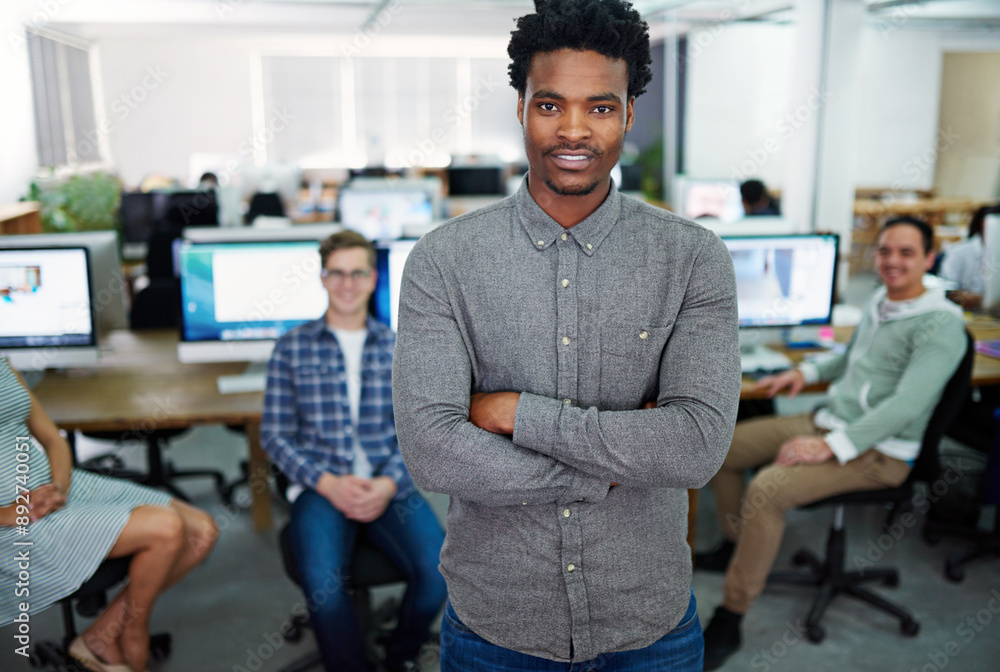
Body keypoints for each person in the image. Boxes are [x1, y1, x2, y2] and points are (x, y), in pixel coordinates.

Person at [392, 1, 742, 670]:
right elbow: (434, 453)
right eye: (550, 106)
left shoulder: (693, 258)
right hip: (498, 626)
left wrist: (516, 414)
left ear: (629, 114)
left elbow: (695, 447)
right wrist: (607, 467)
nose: (574, 130)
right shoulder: (443, 261)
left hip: (647, 624)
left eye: (601, 108)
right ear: (521, 106)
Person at [696, 216, 966, 670]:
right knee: (719, 448)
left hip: (878, 451)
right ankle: (735, 543)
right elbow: (849, 359)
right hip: (831, 422)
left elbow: (905, 405)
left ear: (929, 259)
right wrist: (807, 372)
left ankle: (731, 614)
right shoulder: (883, 301)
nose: (892, 262)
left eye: (906, 253)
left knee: (767, 489)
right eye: (885, 251)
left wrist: (830, 445)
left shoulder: (939, 326)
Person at [261, 231, 446, 672]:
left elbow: (419, 429)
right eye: (337, 273)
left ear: (371, 277)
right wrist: (327, 483)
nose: (347, 283)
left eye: (357, 273)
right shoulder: (291, 347)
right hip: (320, 485)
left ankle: (399, 655)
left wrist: (387, 483)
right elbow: (275, 435)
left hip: (390, 485)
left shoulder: (399, 346)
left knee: (440, 572)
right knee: (322, 586)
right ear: (323, 278)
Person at [0, 360, 218, 672]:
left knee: (202, 530)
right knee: (166, 527)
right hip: (18, 520)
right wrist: (10, 513)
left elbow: (52, 438)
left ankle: (102, 635)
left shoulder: (3, 364)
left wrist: (59, 486)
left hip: (57, 487)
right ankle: (133, 634)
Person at [941, 204, 999, 310]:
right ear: (984, 224)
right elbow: (947, 291)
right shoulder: (959, 253)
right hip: (966, 315)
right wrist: (981, 300)